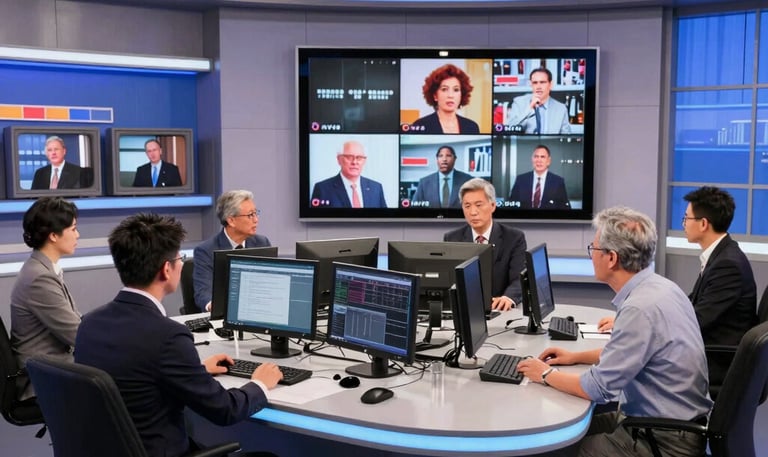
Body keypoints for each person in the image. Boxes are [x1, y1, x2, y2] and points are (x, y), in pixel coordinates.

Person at [74, 213, 283, 457]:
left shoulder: (90, 323)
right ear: (166, 269)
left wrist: (196, 371)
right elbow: (225, 410)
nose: (182, 264)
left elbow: (134, 373)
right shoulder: (168, 336)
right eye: (179, 258)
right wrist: (259, 384)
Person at [518, 206, 712, 457]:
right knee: (559, 435)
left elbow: (596, 389)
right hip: (669, 424)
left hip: (662, 440)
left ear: (611, 258)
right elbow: (629, 353)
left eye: (594, 249)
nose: (591, 256)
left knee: (551, 449)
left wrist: (545, 374)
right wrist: (575, 357)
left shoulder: (639, 309)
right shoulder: (662, 288)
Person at [598, 187, 757, 387]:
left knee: (632, 365)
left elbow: (696, 320)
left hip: (716, 362)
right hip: (706, 351)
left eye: (686, 218)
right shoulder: (722, 255)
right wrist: (635, 321)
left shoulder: (728, 265)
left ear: (703, 224)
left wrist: (643, 324)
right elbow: (688, 307)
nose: (683, 224)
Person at [10, 197, 81, 400]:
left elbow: (75, 321)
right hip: (42, 379)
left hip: (52, 368)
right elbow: (77, 335)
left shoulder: (43, 268)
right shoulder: (39, 278)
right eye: (73, 229)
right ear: (53, 236)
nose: (78, 235)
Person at [443, 178, 527, 311]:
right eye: (467, 206)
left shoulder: (514, 238)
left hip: (499, 309)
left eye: (479, 205)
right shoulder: (452, 238)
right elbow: (448, 282)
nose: (473, 212)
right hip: (465, 309)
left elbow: (519, 278)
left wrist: (508, 298)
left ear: (492, 205)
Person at [193, 190, 271, 311]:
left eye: (256, 213)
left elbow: (271, 284)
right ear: (231, 220)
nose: (256, 220)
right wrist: (214, 306)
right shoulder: (205, 251)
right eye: (250, 215)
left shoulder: (262, 243)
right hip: (224, 313)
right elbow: (203, 293)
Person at [310, 140, 387, 208]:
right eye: (349, 157)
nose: (354, 162)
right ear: (339, 159)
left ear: (364, 161)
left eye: (359, 158)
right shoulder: (322, 189)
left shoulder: (376, 188)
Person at [411, 64, 480, 134]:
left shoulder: (471, 127)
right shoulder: (421, 125)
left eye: (456, 90)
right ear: (435, 96)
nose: (450, 95)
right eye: (444, 89)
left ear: (461, 95)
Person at [506, 67, 571, 135]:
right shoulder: (518, 103)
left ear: (550, 85)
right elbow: (509, 130)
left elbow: (566, 137)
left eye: (542, 82)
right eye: (535, 83)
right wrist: (529, 109)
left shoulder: (561, 109)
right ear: (531, 85)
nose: (538, 87)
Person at [508, 144, 570, 209]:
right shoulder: (521, 180)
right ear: (532, 159)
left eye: (542, 157)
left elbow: (565, 207)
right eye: (536, 156)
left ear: (548, 161)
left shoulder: (558, 182)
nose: (539, 160)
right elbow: (511, 204)